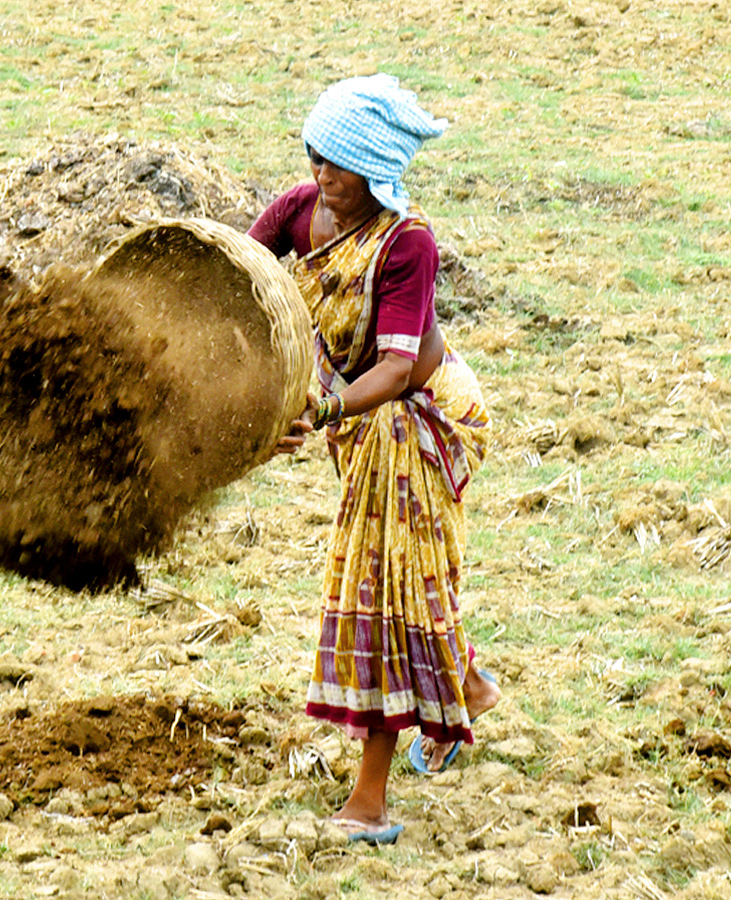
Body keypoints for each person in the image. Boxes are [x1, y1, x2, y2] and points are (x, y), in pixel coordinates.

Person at [249, 73, 500, 844]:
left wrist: (319, 407)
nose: (321, 173)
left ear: (377, 167)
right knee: (410, 583)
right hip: (363, 420)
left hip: (421, 421)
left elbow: (394, 369)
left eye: (338, 163)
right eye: (315, 155)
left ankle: (370, 801)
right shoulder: (300, 209)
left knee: (383, 589)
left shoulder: (407, 243)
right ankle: (468, 690)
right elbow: (244, 281)